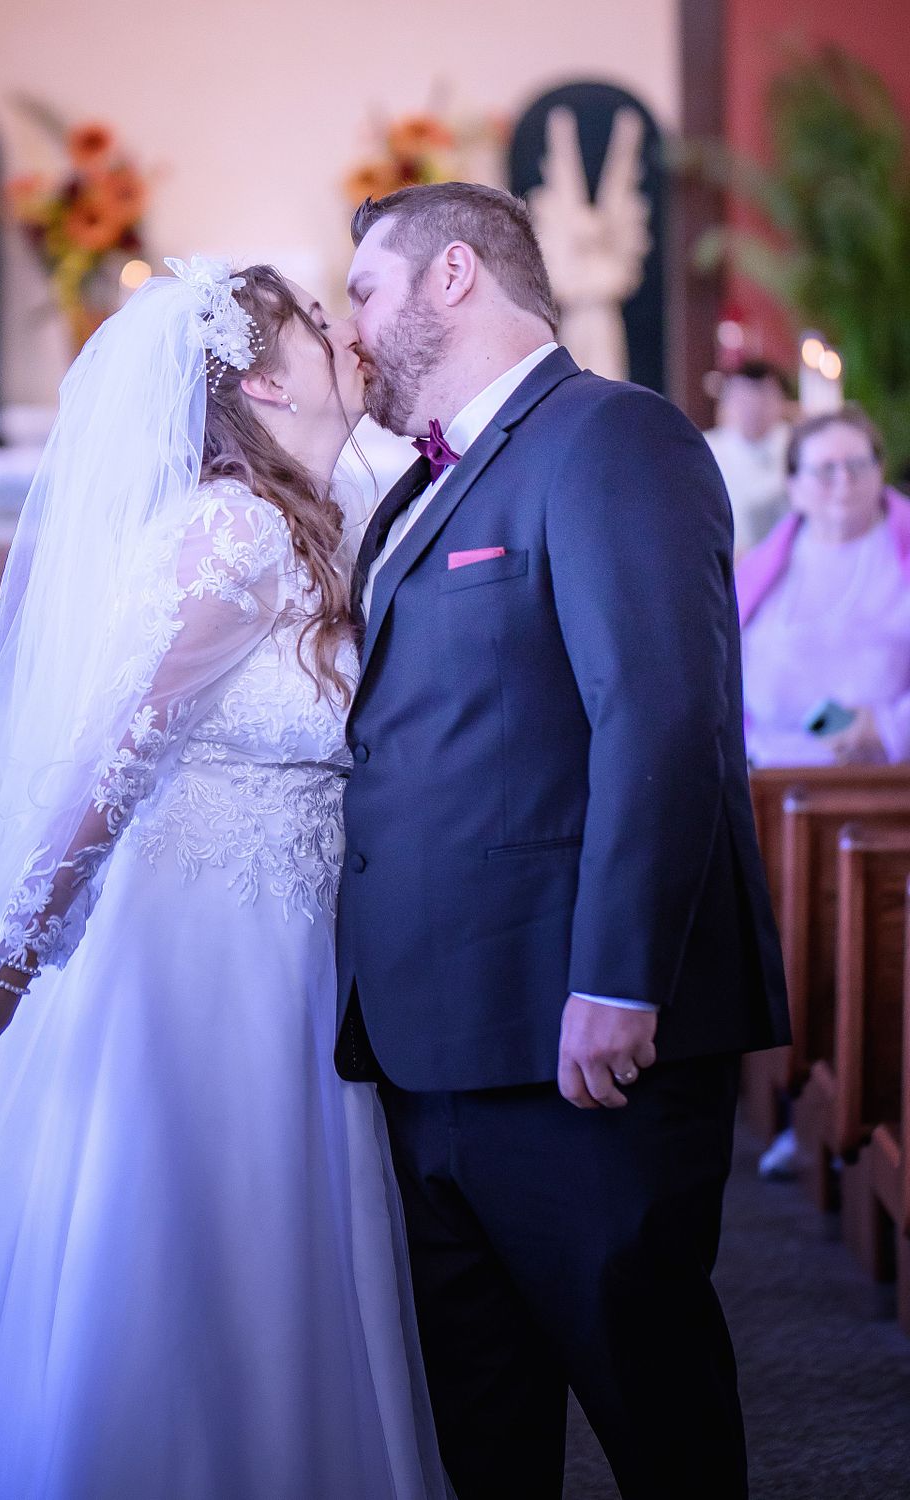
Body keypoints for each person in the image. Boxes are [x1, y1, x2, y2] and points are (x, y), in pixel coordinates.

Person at [0, 261, 451, 1498]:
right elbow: (110, 761)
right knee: (181, 1252)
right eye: (314, 322)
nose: (346, 337)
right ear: (264, 377)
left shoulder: (308, 516)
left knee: (268, 1256)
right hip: (194, 959)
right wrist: (13, 957)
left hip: (279, 944)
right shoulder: (230, 532)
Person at [337, 183, 790, 1500]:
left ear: (455, 277)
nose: (353, 321)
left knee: (654, 1411)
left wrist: (618, 979)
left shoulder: (610, 438)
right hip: (436, 1040)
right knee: (485, 1421)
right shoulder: (424, 484)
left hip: (577, 1041)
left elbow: (661, 715)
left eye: (367, 287)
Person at [738, 404, 910, 767]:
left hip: (884, 784)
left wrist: (891, 728)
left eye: (857, 465)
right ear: (794, 485)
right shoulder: (759, 568)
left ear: (880, 472)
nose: (844, 481)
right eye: (825, 470)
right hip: (767, 778)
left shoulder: (900, 554)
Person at [703, 359, 792, 552]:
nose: (753, 408)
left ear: (782, 402)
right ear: (725, 402)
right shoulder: (705, 451)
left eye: (764, 397)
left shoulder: (801, 447)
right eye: (743, 399)